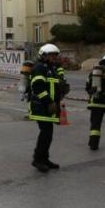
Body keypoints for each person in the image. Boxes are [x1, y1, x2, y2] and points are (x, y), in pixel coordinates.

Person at [28, 44, 62, 172]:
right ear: (44, 55)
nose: (54, 57)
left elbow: (52, 87)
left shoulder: (51, 68)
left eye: (55, 55)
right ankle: (37, 160)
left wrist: (62, 90)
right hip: (41, 107)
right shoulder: (39, 68)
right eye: (51, 55)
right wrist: (49, 102)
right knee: (45, 134)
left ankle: (44, 158)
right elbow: (38, 87)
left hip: (49, 107)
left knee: (48, 134)